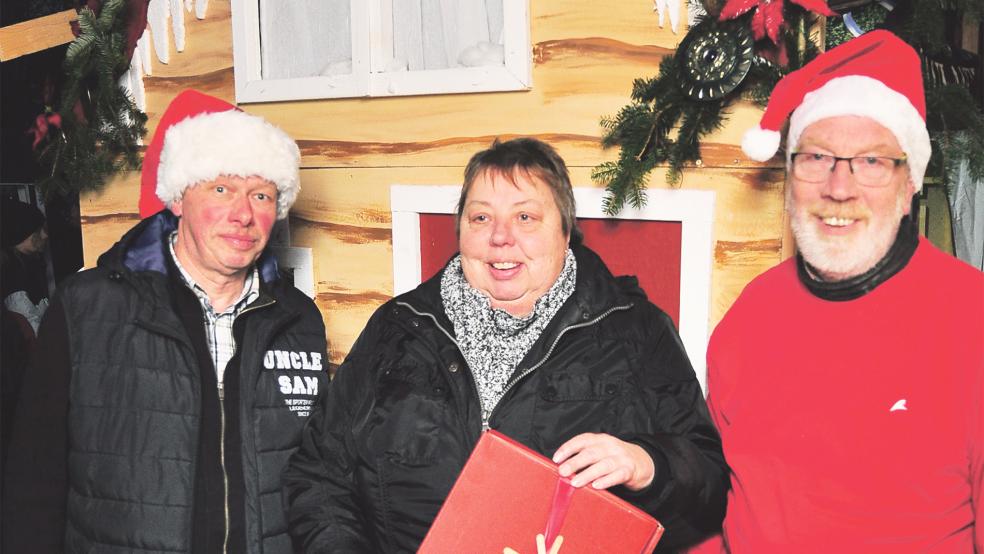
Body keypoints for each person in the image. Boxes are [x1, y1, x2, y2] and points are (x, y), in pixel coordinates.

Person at [284, 137, 729, 552]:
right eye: (481, 217)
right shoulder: (399, 328)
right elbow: (319, 473)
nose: (500, 237)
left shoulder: (635, 331)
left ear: (564, 231)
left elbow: (710, 486)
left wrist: (648, 464)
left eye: (525, 217)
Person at [2, 89, 329, 554]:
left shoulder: (299, 320)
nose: (243, 214)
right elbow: (33, 484)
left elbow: (317, 479)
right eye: (221, 189)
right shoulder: (87, 307)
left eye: (261, 195)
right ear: (177, 199)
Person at [696, 30, 984, 552]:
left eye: (872, 162)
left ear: (908, 185)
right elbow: (713, 506)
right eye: (816, 158)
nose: (839, 187)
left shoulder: (972, 318)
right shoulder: (751, 314)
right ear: (790, 174)